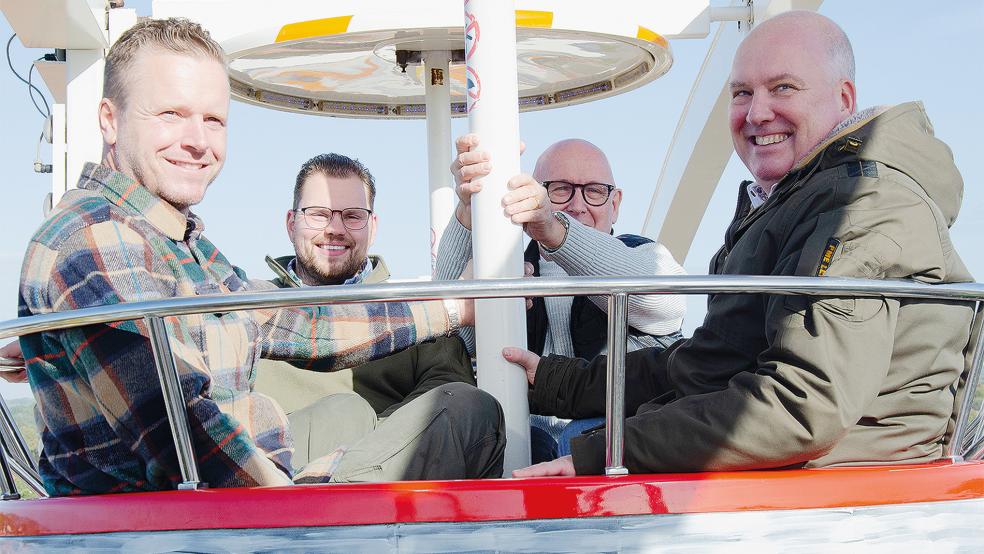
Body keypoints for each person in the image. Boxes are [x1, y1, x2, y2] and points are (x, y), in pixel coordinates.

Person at [15, 18, 503, 497]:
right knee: (471, 415)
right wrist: (287, 499)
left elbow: (300, 325)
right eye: (170, 114)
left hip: (229, 489)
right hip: (183, 518)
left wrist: (453, 308)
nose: (197, 141)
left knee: (357, 412)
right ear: (110, 119)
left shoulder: (178, 243)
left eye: (213, 120)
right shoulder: (98, 239)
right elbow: (184, 436)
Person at [507, 10, 974, 477]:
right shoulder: (794, 204)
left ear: (844, 98)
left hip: (841, 484)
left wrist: (605, 454)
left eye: (783, 87)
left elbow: (802, 406)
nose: (756, 113)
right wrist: (554, 381)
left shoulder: (862, 208)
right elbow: (705, 364)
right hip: (794, 467)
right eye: (742, 93)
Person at [436, 138, 686, 460]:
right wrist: (470, 210)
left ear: (615, 204)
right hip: (526, 439)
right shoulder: (508, 271)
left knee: (579, 437)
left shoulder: (644, 257)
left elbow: (663, 303)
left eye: (594, 191)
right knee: (506, 443)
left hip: (620, 435)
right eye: (560, 189)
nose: (577, 205)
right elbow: (457, 337)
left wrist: (555, 230)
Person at [255, 153, 476, 464]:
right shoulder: (250, 304)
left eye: (353, 216)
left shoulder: (415, 309)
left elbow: (450, 392)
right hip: (276, 473)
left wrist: (369, 444)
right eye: (318, 214)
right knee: (345, 413)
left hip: (384, 476)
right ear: (292, 224)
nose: (335, 228)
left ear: (372, 227)